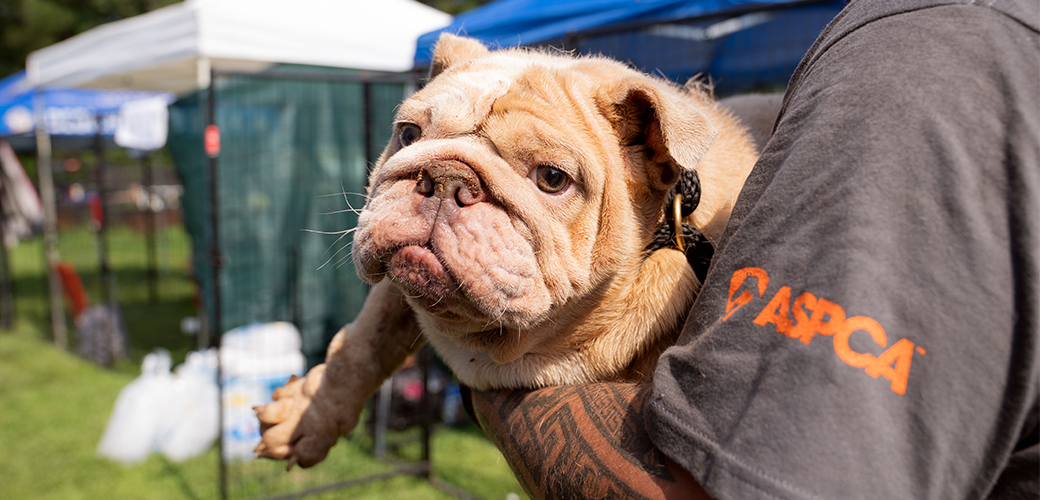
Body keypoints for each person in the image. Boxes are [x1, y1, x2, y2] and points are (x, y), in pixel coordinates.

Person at [465, 0, 1040, 498]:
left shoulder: (937, 50)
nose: (455, 197)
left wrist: (488, 370)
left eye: (548, 176)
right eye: (412, 136)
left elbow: (733, 482)